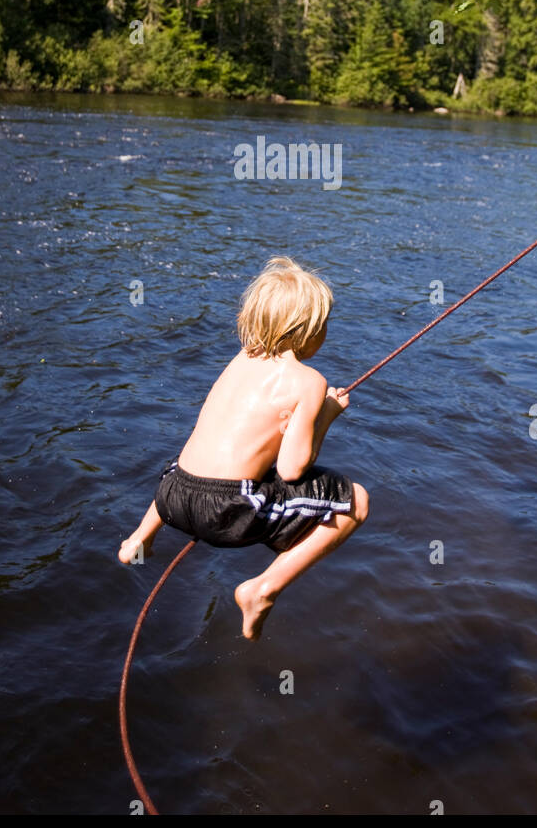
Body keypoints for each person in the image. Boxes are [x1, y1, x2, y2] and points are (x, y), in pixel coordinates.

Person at [118, 255, 369, 640]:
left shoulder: (240, 359)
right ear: (308, 331)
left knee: (196, 456)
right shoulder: (308, 381)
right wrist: (327, 416)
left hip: (170, 495)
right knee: (356, 501)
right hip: (225, 512)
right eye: (325, 325)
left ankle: (140, 536)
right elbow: (291, 469)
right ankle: (262, 589)